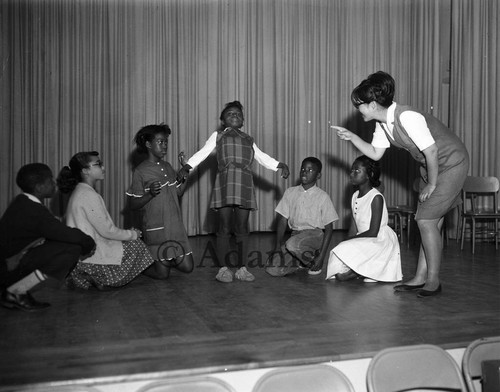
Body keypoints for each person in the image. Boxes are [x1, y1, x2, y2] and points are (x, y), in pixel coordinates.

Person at [333, 71, 469, 297]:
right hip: (433, 166)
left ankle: (433, 280)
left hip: (452, 162)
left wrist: (432, 184)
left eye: (360, 105)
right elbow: (376, 154)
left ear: (374, 104)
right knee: (430, 224)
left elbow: (432, 150)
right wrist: (352, 137)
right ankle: (420, 277)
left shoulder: (407, 117)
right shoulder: (383, 124)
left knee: (425, 221)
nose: (358, 110)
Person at [177, 100, 290, 283]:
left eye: (237, 114)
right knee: (224, 227)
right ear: (223, 121)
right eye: (229, 114)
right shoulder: (219, 136)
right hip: (225, 183)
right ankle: (223, 269)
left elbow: (261, 157)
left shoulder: (248, 139)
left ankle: (242, 268)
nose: (234, 116)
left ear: (243, 120)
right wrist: (187, 166)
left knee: (242, 227)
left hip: (244, 183)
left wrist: (279, 165)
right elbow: (203, 152)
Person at [0, 163, 95, 311]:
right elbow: (63, 232)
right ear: (39, 187)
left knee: (64, 244)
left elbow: (55, 232)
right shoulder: (34, 210)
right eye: (50, 181)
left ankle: (16, 291)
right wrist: (89, 243)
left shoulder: (22, 202)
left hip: (7, 265)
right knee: (71, 249)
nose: (54, 184)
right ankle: (16, 292)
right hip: (8, 270)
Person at [61, 151, 157, 290]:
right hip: (90, 256)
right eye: (98, 164)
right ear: (85, 171)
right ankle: (101, 278)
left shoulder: (80, 191)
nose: (103, 168)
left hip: (81, 254)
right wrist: (133, 234)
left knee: (127, 242)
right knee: (137, 244)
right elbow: (108, 231)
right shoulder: (88, 194)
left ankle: (88, 275)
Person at [127, 124, 194, 278]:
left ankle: (164, 259)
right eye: (160, 142)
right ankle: (141, 266)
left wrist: (185, 171)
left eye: (166, 142)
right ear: (149, 145)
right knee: (162, 275)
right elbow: (133, 204)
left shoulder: (168, 166)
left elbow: (178, 192)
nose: (164, 146)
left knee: (187, 268)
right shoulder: (140, 171)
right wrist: (150, 194)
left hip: (175, 227)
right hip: (156, 229)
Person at [325, 155, 402, 283]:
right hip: (364, 238)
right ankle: (363, 269)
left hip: (379, 241)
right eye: (351, 170)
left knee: (342, 275)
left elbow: (373, 232)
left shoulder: (376, 197)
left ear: (369, 174)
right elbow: (354, 226)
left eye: (357, 171)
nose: (351, 173)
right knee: (338, 252)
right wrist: (347, 242)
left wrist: (351, 242)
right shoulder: (355, 195)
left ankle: (363, 270)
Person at [265, 157, 338, 277]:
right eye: (303, 169)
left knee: (292, 244)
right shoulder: (290, 192)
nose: (305, 172)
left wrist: (322, 256)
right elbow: (282, 221)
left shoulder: (323, 196)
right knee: (272, 269)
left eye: (310, 170)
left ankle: (314, 262)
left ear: (318, 175)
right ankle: (299, 261)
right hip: (295, 236)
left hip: (315, 235)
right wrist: (277, 246)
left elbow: (329, 228)